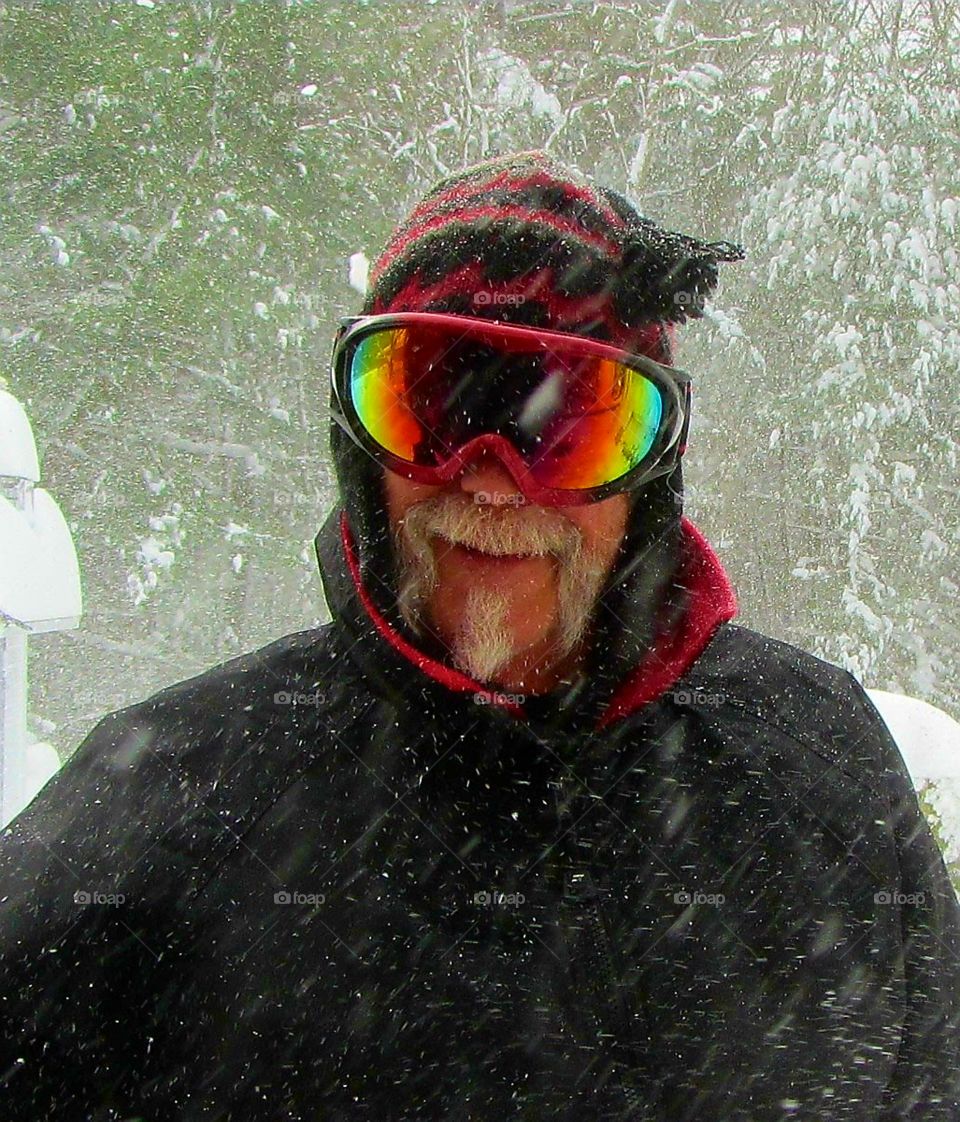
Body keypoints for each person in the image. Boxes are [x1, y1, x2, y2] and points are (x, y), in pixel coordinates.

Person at [0, 151, 957, 1122]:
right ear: (355, 438)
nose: (493, 481)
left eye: (571, 425)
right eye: (435, 407)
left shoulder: (813, 768)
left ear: (652, 472)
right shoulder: (160, 803)